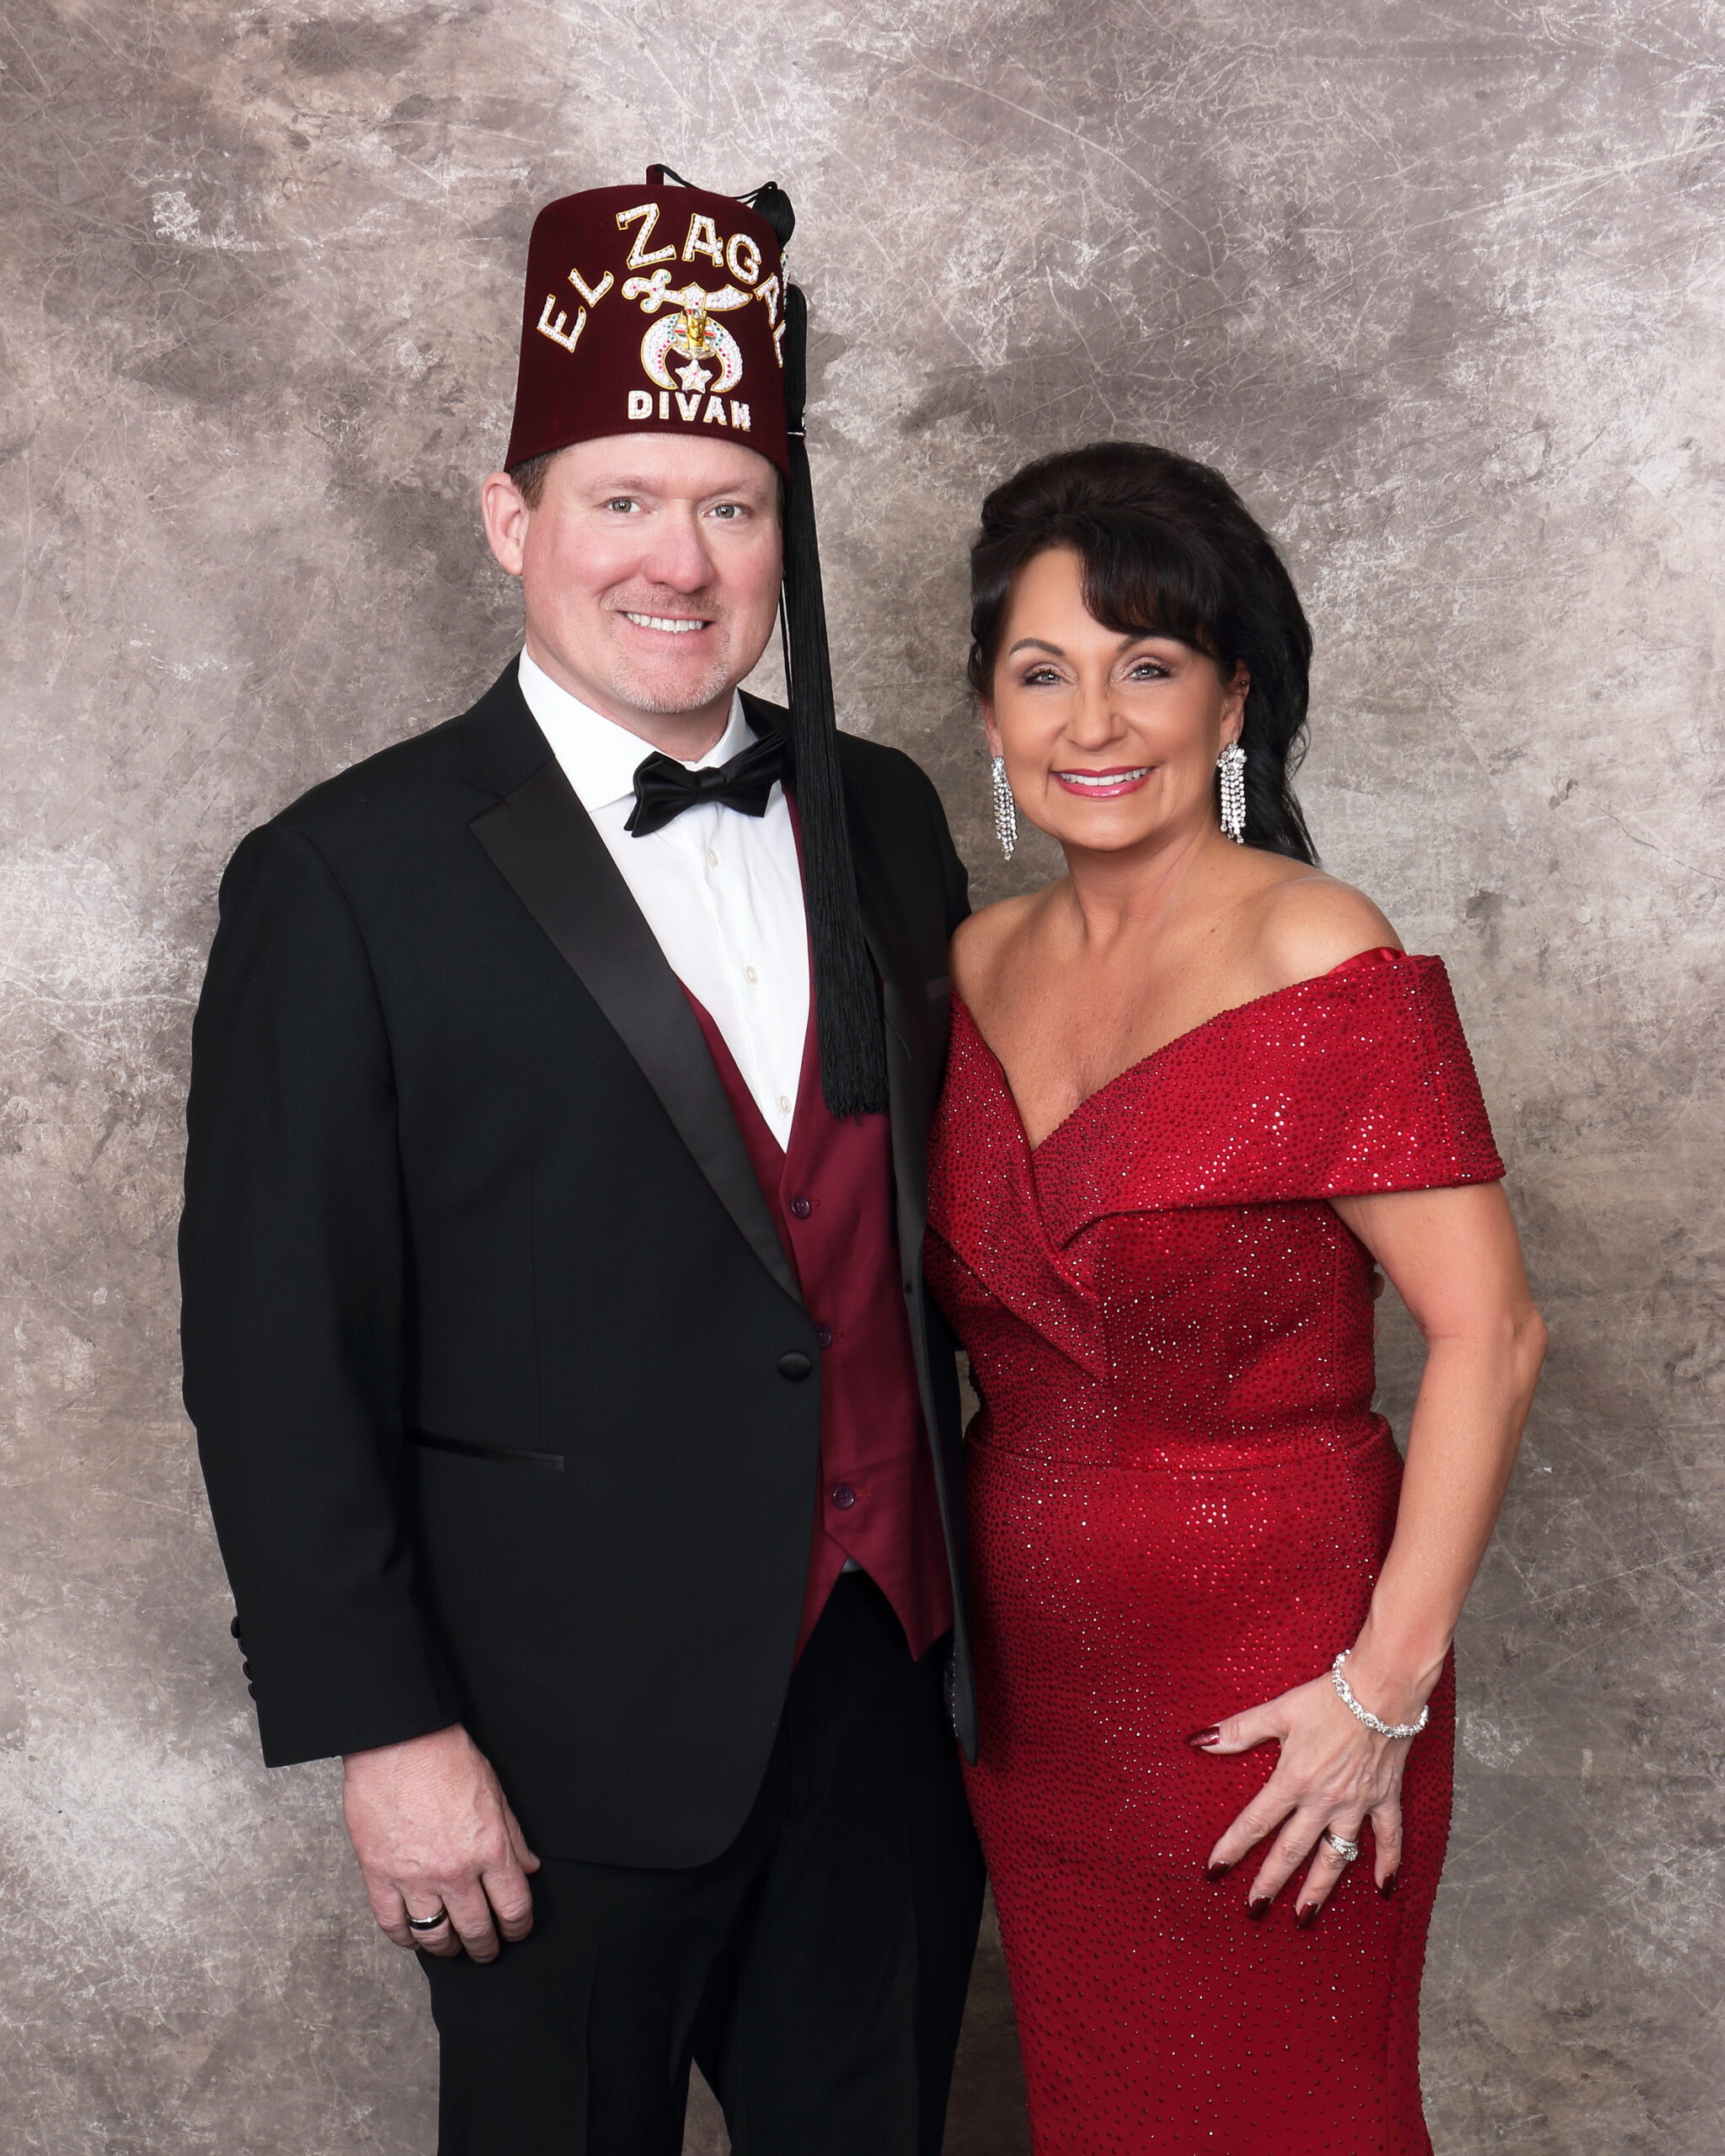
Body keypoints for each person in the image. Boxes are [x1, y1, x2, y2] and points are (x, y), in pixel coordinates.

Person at [179, 168, 984, 2156]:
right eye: (622, 499)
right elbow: (275, 1349)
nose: (677, 562)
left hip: (885, 1700)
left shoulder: (883, 812)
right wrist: (387, 1727)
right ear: (509, 519)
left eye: (733, 506)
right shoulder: (341, 876)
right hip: (544, 1743)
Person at [923, 441, 1547, 2153]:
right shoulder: (968, 966)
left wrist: (1378, 1694)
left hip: (1287, 1684)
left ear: (1232, 703)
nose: (1092, 722)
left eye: (1147, 668)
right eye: (1041, 673)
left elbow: (1492, 1334)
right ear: (987, 714)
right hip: (1035, 1698)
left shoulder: (1318, 948)